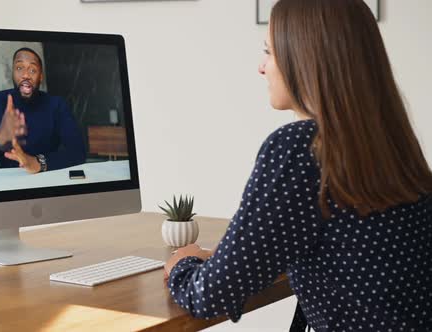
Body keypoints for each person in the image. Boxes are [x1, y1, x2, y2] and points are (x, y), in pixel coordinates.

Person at [164, 0, 432, 331]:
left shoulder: (301, 148)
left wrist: (183, 262)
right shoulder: (394, 144)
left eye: (269, 52)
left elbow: (210, 295)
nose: (261, 67)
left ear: (304, 59)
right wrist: (231, 257)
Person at [0, 47, 86, 173]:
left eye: (33, 70)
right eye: (19, 68)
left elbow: (78, 152)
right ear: (12, 72)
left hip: (47, 178)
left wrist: (37, 163)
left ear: (40, 77)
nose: (25, 75)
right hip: (7, 181)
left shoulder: (57, 105)